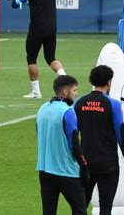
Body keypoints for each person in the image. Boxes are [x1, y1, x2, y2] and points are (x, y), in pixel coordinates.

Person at [74, 65, 124, 214]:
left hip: (85, 163)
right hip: (108, 164)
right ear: (109, 82)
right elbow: (121, 136)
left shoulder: (79, 103)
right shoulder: (113, 104)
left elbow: (73, 135)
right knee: (106, 208)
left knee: (81, 206)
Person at [36, 75, 90, 215]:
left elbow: (39, 134)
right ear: (66, 92)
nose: (76, 93)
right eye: (75, 90)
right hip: (66, 171)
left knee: (48, 212)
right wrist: (84, 167)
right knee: (80, 211)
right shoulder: (68, 112)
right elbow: (74, 144)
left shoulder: (42, 109)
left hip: (45, 170)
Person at [12, 0, 66, 99]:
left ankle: (36, 92)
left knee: (31, 58)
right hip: (52, 27)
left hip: (37, 28)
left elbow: (15, 4)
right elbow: (40, 2)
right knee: (51, 58)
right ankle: (64, 78)